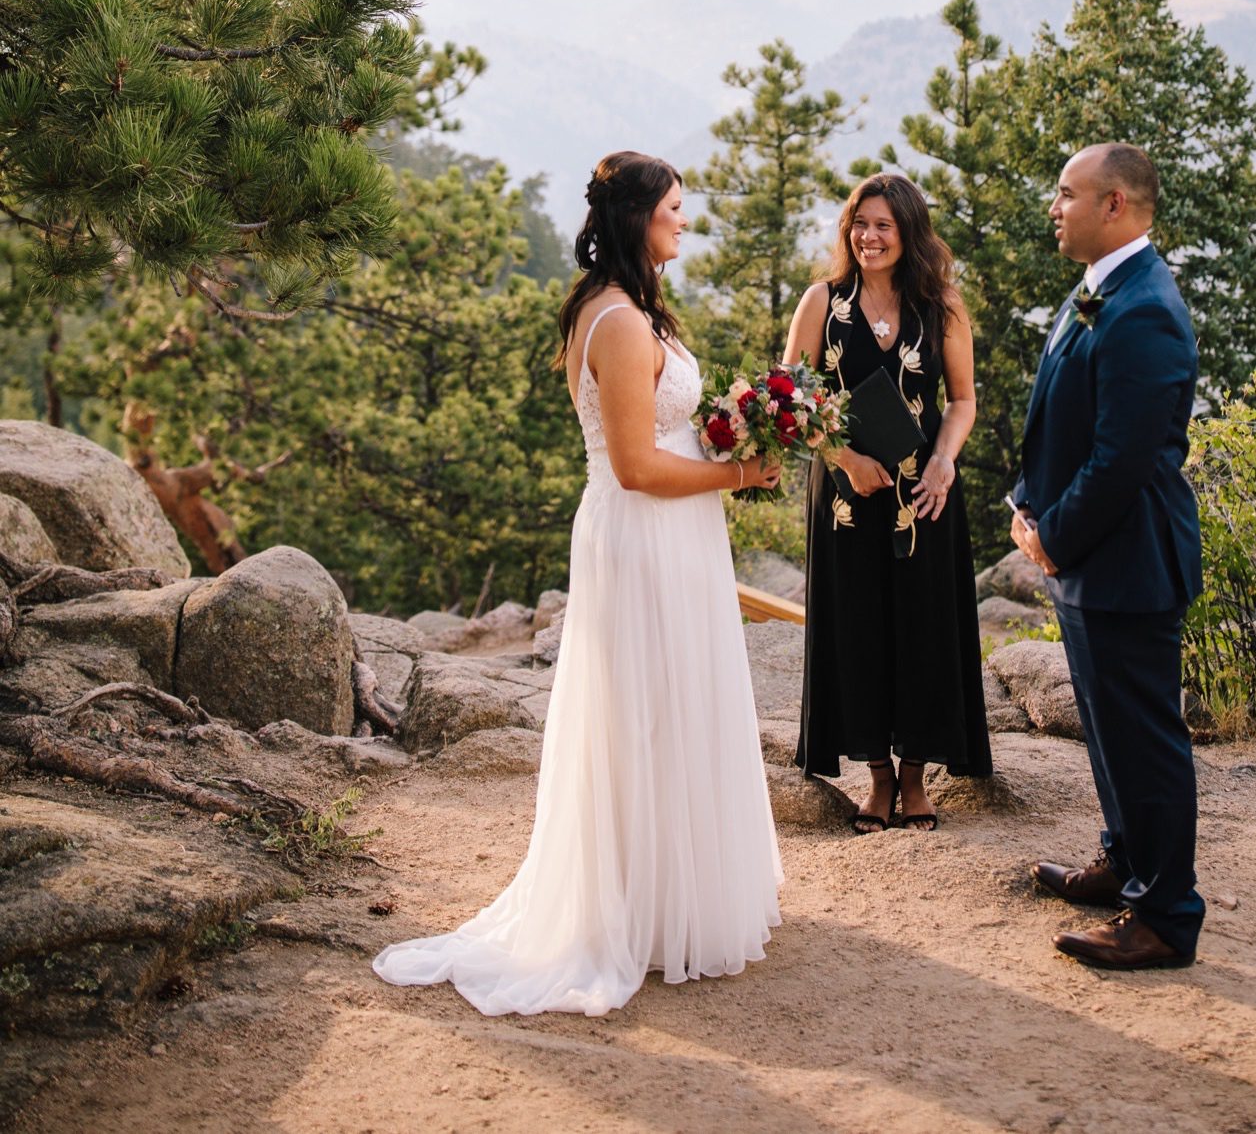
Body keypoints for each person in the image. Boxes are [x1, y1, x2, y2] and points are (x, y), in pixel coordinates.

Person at [373, 150, 783, 1016]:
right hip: (644, 534)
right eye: (674, 207)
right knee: (643, 709)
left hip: (669, 533)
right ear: (639, 217)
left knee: (670, 708)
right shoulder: (622, 322)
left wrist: (728, 431)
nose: (683, 219)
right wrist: (740, 478)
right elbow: (635, 466)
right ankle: (635, 907)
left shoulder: (628, 306)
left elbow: (659, 438)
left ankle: (668, 899)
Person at [1012, 142, 1205, 971]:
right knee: (1107, 731)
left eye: (1067, 193)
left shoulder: (1146, 307)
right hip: (1093, 557)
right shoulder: (1099, 286)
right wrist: (1028, 498)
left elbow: (1124, 457)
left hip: (1129, 558)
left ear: (1116, 203)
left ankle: (1163, 914)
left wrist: (1053, 534)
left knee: (1145, 740)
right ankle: (1126, 864)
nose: (1054, 206)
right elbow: (1060, 409)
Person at [784, 171, 992, 831]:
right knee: (858, 626)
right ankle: (876, 777)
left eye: (884, 225)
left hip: (924, 495)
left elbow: (962, 400)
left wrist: (942, 461)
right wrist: (842, 456)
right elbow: (791, 395)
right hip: (847, 497)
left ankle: (915, 776)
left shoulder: (942, 305)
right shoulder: (822, 300)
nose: (869, 236)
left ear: (909, 233)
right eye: (860, 223)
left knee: (924, 626)